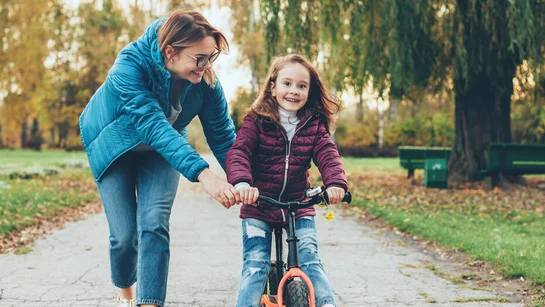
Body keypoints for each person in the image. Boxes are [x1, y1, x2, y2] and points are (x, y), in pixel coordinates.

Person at [79, 9, 241, 307]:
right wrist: (205, 175)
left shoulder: (205, 82)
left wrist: (244, 178)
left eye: (211, 57)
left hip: (162, 150)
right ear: (171, 52)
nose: (206, 66)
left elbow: (222, 135)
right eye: (199, 58)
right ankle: (126, 288)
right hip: (114, 146)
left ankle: (150, 302)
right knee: (124, 238)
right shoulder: (129, 66)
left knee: (153, 222)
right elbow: (153, 125)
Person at [225, 54, 348, 307]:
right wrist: (243, 185)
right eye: (287, 83)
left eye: (302, 86)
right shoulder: (257, 120)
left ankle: (327, 304)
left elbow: (327, 153)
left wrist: (335, 183)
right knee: (255, 264)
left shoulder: (313, 124)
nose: (294, 91)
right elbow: (240, 152)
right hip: (258, 204)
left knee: (310, 258)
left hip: (299, 204)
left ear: (309, 91)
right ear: (273, 87)